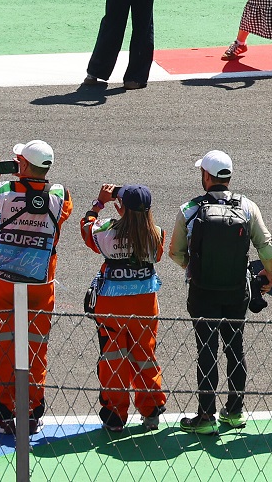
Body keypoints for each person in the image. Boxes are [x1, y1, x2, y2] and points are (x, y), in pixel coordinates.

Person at [0, 140, 73, 435]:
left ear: (22, 165)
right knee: (36, 347)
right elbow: (59, 213)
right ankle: (32, 414)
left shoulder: (1, 191)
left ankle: (3, 414)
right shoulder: (61, 195)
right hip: (40, 282)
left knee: (0, 345)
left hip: (3, 281)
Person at [172, 151, 272, 433]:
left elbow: (175, 252)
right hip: (236, 291)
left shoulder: (189, 209)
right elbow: (266, 245)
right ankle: (234, 411)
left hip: (202, 292)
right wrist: (269, 273)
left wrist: (194, 267)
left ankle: (205, 417)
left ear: (206, 176)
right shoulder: (247, 206)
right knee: (235, 347)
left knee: (206, 350)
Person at [81, 184, 166, 432]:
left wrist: (98, 204)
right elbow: (158, 254)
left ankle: (115, 415)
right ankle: (151, 411)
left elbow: (86, 229)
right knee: (144, 355)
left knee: (113, 358)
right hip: (144, 305)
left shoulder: (106, 230)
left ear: (122, 206)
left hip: (111, 304)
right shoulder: (157, 234)